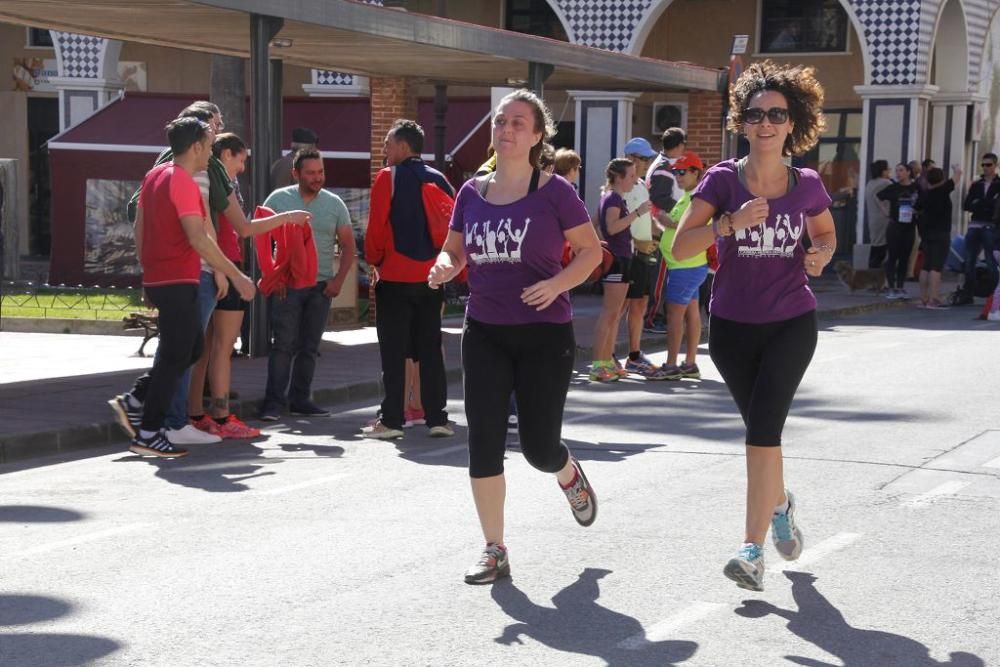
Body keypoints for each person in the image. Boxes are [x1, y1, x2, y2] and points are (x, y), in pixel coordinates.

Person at [672, 60, 837, 592]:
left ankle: (751, 549)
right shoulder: (722, 180)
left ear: (793, 123)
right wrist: (727, 224)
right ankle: (782, 504)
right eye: (756, 113)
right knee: (763, 438)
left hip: (790, 322)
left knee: (760, 433)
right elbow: (680, 246)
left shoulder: (806, 184)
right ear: (741, 122)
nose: (766, 123)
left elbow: (826, 234)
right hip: (732, 329)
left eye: (777, 114)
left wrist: (820, 255)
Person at [427, 89, 602, 585]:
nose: (506, 130)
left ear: (537, 136)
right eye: (501, 121)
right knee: (482, 442)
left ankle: (567, 472)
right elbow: (453, 251)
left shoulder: (554, 193)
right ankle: (494, 548)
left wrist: (557, 284)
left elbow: (591, 253)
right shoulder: (470, 193)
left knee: (538, 449)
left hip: (545, 335)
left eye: (518, 123)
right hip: (484, 330)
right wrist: (443, 267)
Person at [115, 117, 257, 457]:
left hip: (165, 279)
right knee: (179, 354)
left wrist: (147, 273)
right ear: (196, 147)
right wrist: (235, 275)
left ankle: (137, 399)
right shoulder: (183, 182)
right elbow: (200, 239)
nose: (211, 152)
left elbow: (141, 227)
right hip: (178, 279)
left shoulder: (154, 176)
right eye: (208, 146)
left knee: (190, 349)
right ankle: (148, 433)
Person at [188, 133, 312, 438]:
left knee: (204, 349)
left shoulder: (203, 179)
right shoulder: (217, 182)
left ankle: (195, 414)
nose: (243, 167)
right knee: (221, 348)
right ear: (227, 155)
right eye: (241, 159)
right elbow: (242, 229)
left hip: (211, 267)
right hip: (224, 266)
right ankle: (219, 416)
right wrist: (286, 218)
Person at [363, 119, 455, 440]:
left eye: (388, 145)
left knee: (394, 351)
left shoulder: (387, 178)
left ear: (403, 146)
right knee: (430, 348)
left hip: (395, 275)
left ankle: (391, 420)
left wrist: (374, 260)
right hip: (432, 277)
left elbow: (375, 229)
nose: (385, 151)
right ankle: (438, 418)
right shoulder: (440, 178)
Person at [258, 149, 356, 421]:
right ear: (296, 173)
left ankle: (301, 399)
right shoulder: (278, 199)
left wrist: (338, 280)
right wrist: (273, 276)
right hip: (286, 286)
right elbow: (261, 239)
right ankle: (273, 403)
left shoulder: (335, 203)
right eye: (311, 173)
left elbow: (349, 246)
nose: (317, 178)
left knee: (309, 347)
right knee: (282, 345)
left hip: (321, 287)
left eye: (320, 172)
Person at [589, 158, 661, 382]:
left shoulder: (615, 198)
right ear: (619, 178)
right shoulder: (612, 198)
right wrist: (637, 213)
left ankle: (608, 362)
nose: (633, 179)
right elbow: (611, 227)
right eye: (630, 176)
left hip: (624, 258)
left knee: (615, 315)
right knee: (610, 314)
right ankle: (598, 365)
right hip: (617, 261)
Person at [658, 150, 708, 379]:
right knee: (691, 314)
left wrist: (670, 223)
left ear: (696, 172)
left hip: (685, 265)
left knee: (674, 315)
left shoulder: (698, 197)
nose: (677, 176)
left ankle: (670, 365)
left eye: (682, 172)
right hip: (687, 264)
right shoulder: (688, 195)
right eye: (675, 172)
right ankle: (689, 363)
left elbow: (694, 226)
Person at [618, 136, 663, 378]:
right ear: (631, 158)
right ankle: (608, 353)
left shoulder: (642, 185)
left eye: (649, 158)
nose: (648, 162)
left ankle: (634, 355)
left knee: (639, 304)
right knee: (620, 306)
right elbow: (613, 222)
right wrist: (636, 244)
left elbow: (648, 219)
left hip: (646, 253)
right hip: (629, 254)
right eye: (644, 158)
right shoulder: (619, 186)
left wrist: (662, 236)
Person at [644, 127, 688, 333]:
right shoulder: (663, 167)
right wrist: (683, 210)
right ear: (679, 146)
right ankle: (652, 318)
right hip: (661, 227)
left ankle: (658, 315)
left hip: (665, 226)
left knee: (663, 275)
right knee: (659, 277)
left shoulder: (665, 165)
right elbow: (659, 197)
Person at [915, 165, 961, 309]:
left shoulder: (925, 194)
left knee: (926, 266)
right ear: (941, 179)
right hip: (941, 233)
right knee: (936, 266)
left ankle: (923, 298)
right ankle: (934, 298)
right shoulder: (943, 190)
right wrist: (955, 167)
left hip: (926, 233)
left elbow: (916, 209)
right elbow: (958, 174)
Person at [959, 153, 1000, 304]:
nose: (985, 168)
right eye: (983, 165)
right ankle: (968, 294)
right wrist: (986, 203)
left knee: (991, 261)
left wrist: (980, 203)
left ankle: (994, 296)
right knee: (969, 260)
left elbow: (994, 207)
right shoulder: (977, 184)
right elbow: (967, 205)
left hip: (991, 226)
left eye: (988, 165)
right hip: (975, 224)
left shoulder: (998, 184)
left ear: (995, 165)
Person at [877, 163, 921, 299]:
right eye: (897, 171)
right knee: (893, 257)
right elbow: (878, 196)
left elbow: (923, 202)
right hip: (895, 226)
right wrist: (885, 211)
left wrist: (918, 211)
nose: (898, 173)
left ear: (909, 172)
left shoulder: (915, 188)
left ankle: (900, 287)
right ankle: (891, 288)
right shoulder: (893, 187)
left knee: (904, 258)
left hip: (909, 226)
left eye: (901, 170)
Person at [863, 160, 892, 270]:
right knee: (882, 247)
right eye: (887, 169)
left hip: (873, 218)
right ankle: (874, 271)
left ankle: (871, 269)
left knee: (875, 245)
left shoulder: (870, 183)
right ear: (883, 171)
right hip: (883, 219)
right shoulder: (886, 183)